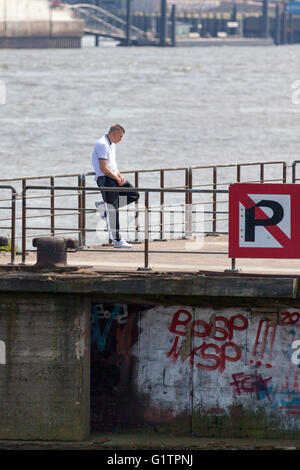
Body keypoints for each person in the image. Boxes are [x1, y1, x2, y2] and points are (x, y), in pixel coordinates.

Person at [92, 124, 140, 248]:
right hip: (105, 179)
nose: (121, 139)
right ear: (114, 133)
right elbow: (103, 168)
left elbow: (113, 165)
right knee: (113, 209)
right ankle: (117, 240)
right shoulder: (102, 144)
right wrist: (116, 178)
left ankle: (104, 208)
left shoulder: (112, 145)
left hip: (113, 176)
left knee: (134, 194)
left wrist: (120, 175)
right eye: (120, 136)